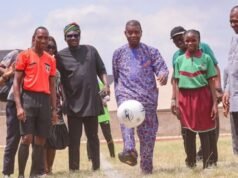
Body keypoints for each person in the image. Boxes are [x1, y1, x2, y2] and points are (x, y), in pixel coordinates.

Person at [112, 20, 169, 174]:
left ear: (141, 32)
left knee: (148, 138)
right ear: (125, 33)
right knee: (126, 117)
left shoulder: (152, 52)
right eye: (130, 32)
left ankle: (146, 169)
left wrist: (163, 75)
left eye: (136, 32)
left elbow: (162, 69)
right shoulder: (118, 54)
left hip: (148, 101)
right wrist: (120, 95)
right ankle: (129, 151)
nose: (133, 35)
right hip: (127, 96)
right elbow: (117, 78)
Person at [56, 22, 109, 171]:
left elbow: (102, 69)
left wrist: (106, 85)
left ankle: (96, 167)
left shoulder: (91, 50)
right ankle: (74, 169)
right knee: (74, 140)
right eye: (70, 36)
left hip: (92, 102)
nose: (73, 38)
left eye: (76, 35)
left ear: (80, 35)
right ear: (65, 38)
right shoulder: (60, 56)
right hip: (73, 104)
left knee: (93, 137)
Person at [170, 26, 222, 163]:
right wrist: (174, 100)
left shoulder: (206, 58)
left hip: (203, 96)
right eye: (187, 41)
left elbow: (211, 80)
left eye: (193, 40)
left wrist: (215, 102)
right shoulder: (179, 60)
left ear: (199, 41)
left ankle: (208, 162)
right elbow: (175, 81)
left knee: (206, 130)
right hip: (185, 98)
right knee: (187, 131)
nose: (190, 43)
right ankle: (191, 162)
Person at [13, 26, 57, 178]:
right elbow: (16, 82)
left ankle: (35, 174)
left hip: (44, 101)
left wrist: (53, 110)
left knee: (40, 139)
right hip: (28, 99)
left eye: (46, 37)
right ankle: (20, 174)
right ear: (34, 38)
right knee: (26, 138)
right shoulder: (24, 55)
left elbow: (52, 86)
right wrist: (19, 106)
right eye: (40, 37)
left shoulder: (50, 60)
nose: (43, 40)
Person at [44, 36, 65, 174]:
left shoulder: (57, 65)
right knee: (43, 139)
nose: (51, 49)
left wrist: (64, 99)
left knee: (53, 139)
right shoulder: (40, 62)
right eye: (48, 47)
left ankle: (50, 169)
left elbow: (60, 85)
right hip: (42, 105)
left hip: (56, 106)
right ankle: (44, 168)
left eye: (53, 47)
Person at [1, 50, 21, 178]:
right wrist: (9, 73)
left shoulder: (45, 58)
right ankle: (7, 173)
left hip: (33, 102)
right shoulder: (16, 53)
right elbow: (2, 67)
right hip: (14, 101)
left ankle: (30, 172)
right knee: (13, 139)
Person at [223, 5, 238, 155]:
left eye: (236, 21)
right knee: (236, 136)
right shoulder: (234, 40)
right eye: (231, 21)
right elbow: (229, 68)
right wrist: (226, 89)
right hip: (234, 97)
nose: (233, 24)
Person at [87, 80, 115, 160]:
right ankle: (90, 157)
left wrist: (104, 100)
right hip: (92, 114)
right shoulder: (87, 84)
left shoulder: (101, 84)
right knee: (91, 136)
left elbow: (108, 96)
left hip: (103, 115)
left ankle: (112, 155)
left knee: (108, 135)